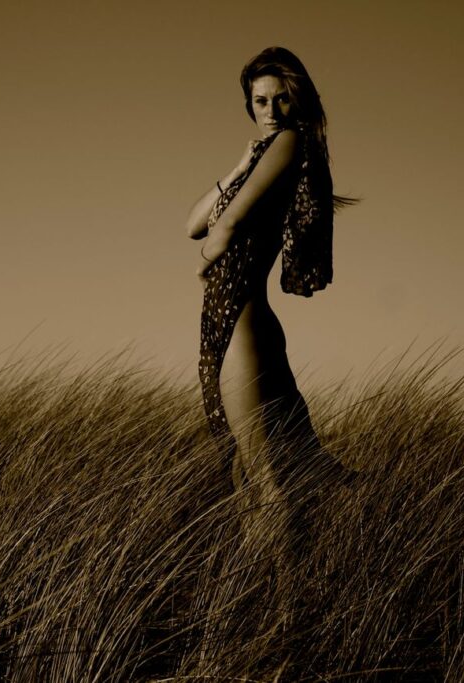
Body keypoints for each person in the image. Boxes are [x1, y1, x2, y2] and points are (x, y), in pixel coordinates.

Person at [186, 46, 356, 545]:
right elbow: (194, 223)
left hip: (242, 322)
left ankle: (283, 591)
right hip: (237, 320)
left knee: (263, 480)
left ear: (298, 100)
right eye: (260, 101)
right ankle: (277, 574)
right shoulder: (264, 155)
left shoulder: (288, 142)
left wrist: (205, 265)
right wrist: (239, 166)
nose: (271, 111)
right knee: (259, 470)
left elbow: (222, 228)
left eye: (281, 99)